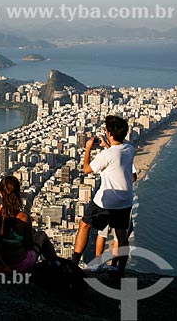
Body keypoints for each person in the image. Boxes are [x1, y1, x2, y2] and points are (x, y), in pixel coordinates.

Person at [72, 115, 135, 275]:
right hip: (125, 200)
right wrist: (107, 146)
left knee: (84, 224)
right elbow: (116, 155)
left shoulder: (107, 155)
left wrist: (88, 148)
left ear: (109, 133)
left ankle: (73, 263)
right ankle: (120, 270)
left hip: (106, 201)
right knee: (121, 236)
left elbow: (86, 169)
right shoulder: (129, 149)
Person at [0, 176, 56, 272]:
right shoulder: (23, 217)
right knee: (41, 235)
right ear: (18, 193)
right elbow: (29, 245)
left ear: (0, 193)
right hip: (19, 266)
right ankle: (56, 266)